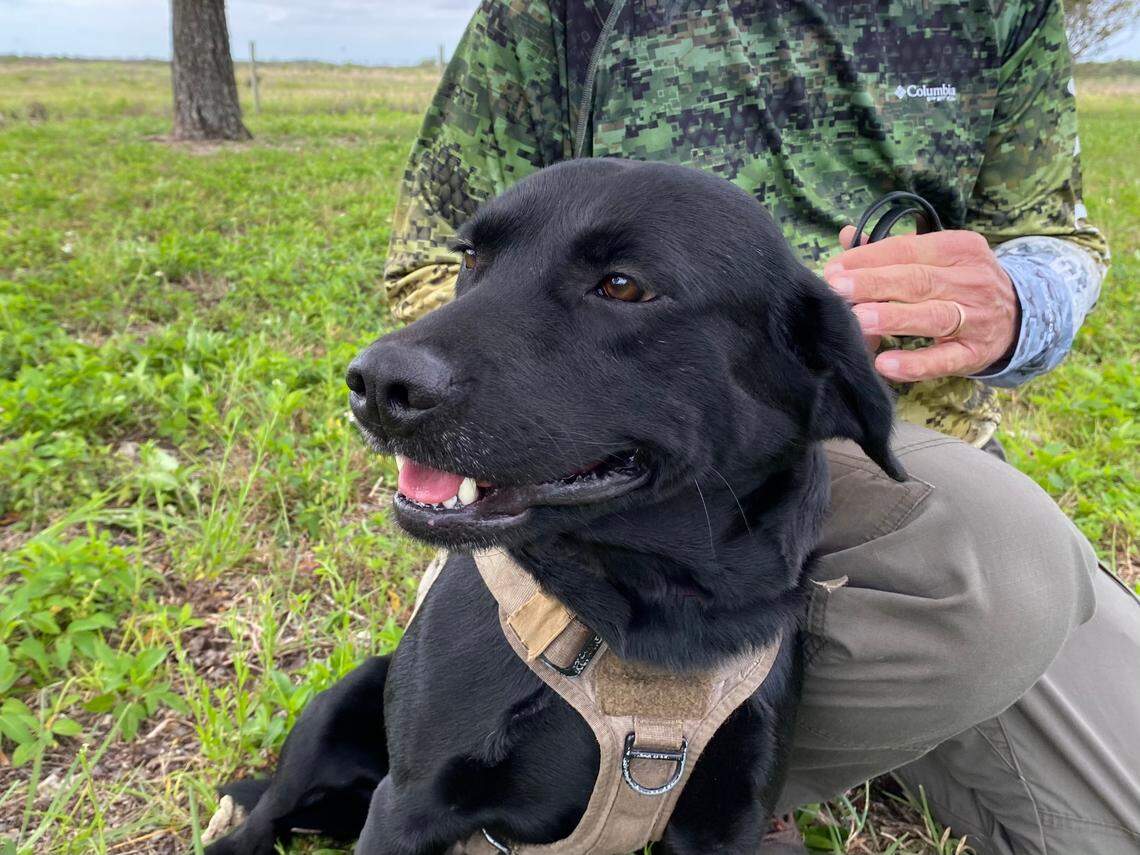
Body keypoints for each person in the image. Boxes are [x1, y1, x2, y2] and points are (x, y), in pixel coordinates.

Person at [381, 2, 1140, 852]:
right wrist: (534, 383)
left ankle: (731, 758)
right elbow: (429, 261)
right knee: (1002, 556)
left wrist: (1017, 298)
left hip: (884, 448)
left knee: (1099, 767)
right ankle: (598, 772)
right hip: (626, 468)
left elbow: (1057, 234)